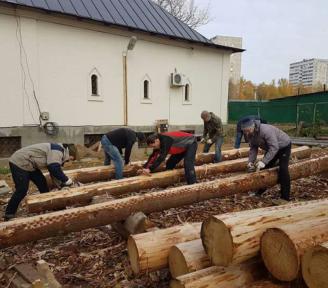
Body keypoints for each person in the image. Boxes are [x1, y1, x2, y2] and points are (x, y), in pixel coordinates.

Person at [4, 143, 77, 220]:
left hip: (30, 164)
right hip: (19, 162)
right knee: (22, 189)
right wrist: (66, 180)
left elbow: (54, 171)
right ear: (69, 154)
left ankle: (52, 206)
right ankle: (9, 213)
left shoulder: (59, 151)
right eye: (71, 159)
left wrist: (61, 185)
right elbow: (54, 168)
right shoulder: (58, 151)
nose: (69, 161)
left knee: (42, 184)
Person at [242, 119, 292, 204]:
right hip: (271, 148)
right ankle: (259, 192)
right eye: (245, 131)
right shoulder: (249, 133)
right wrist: (250, 161)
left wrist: (264, 161)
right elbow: (253, 148)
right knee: (264, 170)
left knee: (283, 169)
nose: (247, 133)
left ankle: (285, 198)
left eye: (248, 130)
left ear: (253, 126)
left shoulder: (265, 130)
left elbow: (274, 147)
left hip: (283, 146)